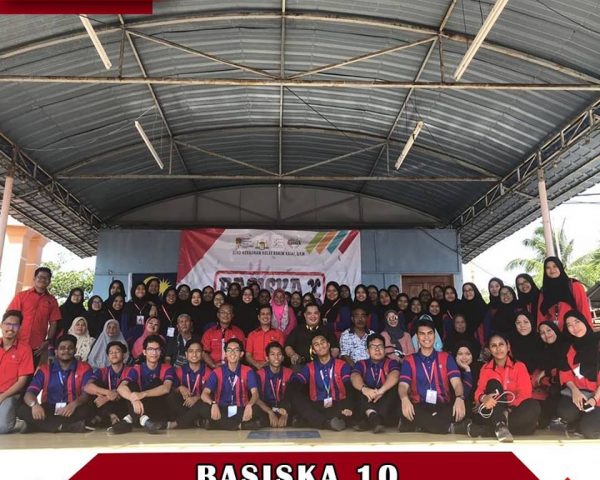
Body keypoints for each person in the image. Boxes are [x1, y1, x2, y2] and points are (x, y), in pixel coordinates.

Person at [398, 318, 466, 434]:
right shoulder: (409, 360)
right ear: (417, 337)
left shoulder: (446, 357)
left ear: (435, 336)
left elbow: (457, 383)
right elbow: (403, 385)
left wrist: (459, 398)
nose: (426, 337)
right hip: (419, 405)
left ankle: (419, 425)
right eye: (422, 334)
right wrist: (404, 399)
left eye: (430, 333)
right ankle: (450, 428)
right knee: (408, 410)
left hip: (442, 405)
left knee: (458, 410)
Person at [470, 333, 540, 442]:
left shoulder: (519, 366)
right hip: (493, 409)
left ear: (508, 346)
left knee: (533, 406)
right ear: (489, 350)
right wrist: (484, 398)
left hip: (513, 411)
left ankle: (489, 429)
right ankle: (500, 424)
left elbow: (525, 394)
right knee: (493, 383)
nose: (498, 349)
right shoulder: (486, 368)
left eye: (501, 344)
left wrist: (507, 409)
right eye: (493, 346)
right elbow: (479, 391)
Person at [19, 334, 93, 433]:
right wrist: (34, 405)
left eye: (70, 348)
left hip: (72, 408)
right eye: (62, 348)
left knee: (87, 410)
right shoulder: (45, 369)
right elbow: (30, 393)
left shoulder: (84, 368)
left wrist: (74, 404)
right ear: (56, 351)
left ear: (75, 350)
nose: (66, 351)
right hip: (50, 408)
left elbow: (86, 394)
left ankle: (41, 425)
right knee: (22, 409)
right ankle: (63, 426)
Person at [111, 335, 175, 434]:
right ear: (144, 352)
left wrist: (142, 394)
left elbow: (166, 388)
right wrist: (134, 399)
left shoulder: (167, 368)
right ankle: (143, 419)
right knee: (131, 386)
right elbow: (121, 388)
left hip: (157, 407)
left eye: (157, 349)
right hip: (139, 407)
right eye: (150, 349)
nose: (154, 353)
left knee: (157, 382)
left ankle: (130, 418)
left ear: (161, 352)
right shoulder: (137, 368)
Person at [291, 334, 353, 431]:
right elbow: (296, 382)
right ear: (314, 351)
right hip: (318, 405)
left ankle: (310, 420)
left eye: (323, 342)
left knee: (348, 407)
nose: (321, 346)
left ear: (328, 345)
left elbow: (349, 386)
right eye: (316, 344)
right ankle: (326, 423)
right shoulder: (309, 367)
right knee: (296, 397)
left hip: (338, 404)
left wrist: (349, 406)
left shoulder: (342, 365)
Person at [557, 310, 600, 438]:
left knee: (589, 430)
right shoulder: (570, 348)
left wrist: (594, 399)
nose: (574, 327)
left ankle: (587, 421)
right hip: (582, 392)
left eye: (577, 322)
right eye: (569, 325)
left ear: (584, 321)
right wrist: (575, 391)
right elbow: (565, 372)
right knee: (565, 412)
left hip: (597, 394)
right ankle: (583, 419)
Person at [200, 338, 260, 430]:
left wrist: (249, 405)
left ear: (241, 354)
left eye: (236, 350)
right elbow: (204, 394)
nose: (232, 353)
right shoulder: (217, 371)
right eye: (229, 350)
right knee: (202, 407)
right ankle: (240, 425)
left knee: (257, 410)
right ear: (225, 354)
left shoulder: (248, 371)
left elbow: (255, 393)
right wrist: (213, 404)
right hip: (221, 408)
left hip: (241, 408)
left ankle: (217, 424)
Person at [8, 266, 61, 365]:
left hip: (37, 347)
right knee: (10, 371)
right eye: (40, 277)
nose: (43, 280)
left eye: (46, 278)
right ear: (34, 278)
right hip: (16, 342)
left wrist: (48, 341)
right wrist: (9, 338)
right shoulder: (21, 296)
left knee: (30, 373)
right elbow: (10, 317)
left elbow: (53, 323)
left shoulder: (52, 301)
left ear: (49, 281)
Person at [351, 333, 400, 433]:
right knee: (358, 389)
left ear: (385, 350)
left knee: (394, 387)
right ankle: (374, 417)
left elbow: (395, 374)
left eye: (380, 346)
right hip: (367, 399)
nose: (377, 349)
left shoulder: (391, 362)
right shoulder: (361, 363)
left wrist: (381, 391)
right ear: (367, 351)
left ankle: (371, 419)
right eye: (373, 347)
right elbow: (354, 376)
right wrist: (365, 389)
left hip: (385, 402)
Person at [165, 339, 212, 430]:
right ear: (186, 354)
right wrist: (180, 388)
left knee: (205, 406)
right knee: (170, 397)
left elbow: (212, 395)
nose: (194, 354)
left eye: (198, 351)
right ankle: (195, 421)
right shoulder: (179, 371)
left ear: (202, 354)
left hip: (200, 405)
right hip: (184, 406)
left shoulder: (208, 372)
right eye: (191, 351)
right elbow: (172, 389)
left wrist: (197, 398)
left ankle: (181, 423)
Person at [0, 311, 34, 434]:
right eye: (8, 324)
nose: (10, 328)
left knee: (2, 427)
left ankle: (15, 418)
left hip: (10, 395)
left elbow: (21, 382)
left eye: (15, 325)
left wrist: (2, 397)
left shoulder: (24, 349)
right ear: (1, 325)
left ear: (19, 327)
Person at [83, 341, 129, 428]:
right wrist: (108, 393)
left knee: (128, 387)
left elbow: (126, 389)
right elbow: (87, 387)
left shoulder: (130, 370)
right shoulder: (102, 371)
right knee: (96, 385)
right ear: (108, 357)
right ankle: (112, 415)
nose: (114, 354)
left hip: (122, 405)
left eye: (117, 351)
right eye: (111, 353)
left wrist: (107, 398)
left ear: (124, 355)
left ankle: (102, 417)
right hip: (104, 404)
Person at [538, 257, 592, 328]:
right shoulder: (544, 290)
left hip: (574, 330)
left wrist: (588, 329)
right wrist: (542, 331)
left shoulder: (573, 285)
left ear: (560, 267)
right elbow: (541, 315)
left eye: (555, 266)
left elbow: (583, 308)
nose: (552, 270)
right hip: (555, 332)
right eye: (548, 268)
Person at [284, 303, 339, 368]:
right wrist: (293, 355)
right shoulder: (297, 330)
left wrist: (328, 361)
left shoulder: (327, 330)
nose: (313, 316)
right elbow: (288, 346)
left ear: (319, 314)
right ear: (305, 315)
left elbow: (335, 349)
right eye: (309, 313)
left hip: (324, 366)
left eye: (315, 313)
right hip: (301, 366)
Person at [255, 342, 294, 428]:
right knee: (255, 413)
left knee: (297, 415)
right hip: (266, 407)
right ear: (267, 358)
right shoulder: (260, 374)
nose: (276, 357)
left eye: (279, 354)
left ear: (282, 357)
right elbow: (255, 398)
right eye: (272, 354)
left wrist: (286, 412)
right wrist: (270, 412)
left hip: (284, 406)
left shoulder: (289, 373)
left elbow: (293, 397)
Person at [537, 320, 566, 427]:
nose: (546, 335)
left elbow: (565, 367)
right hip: (553, 384)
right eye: (542, 333)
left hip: (569, 384)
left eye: (549, 330)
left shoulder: (565, 345)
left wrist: (547, 372)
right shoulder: (545, 349)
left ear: (555, 330)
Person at [201, 303, 246, 369]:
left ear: (232, 315)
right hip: (212, 368)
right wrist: (213, 365)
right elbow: (204, 353)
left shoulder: (239, 332)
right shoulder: (209, 333)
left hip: (233, 367)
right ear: (218, 315)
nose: (225, 315)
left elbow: (241, 352)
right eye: (223, 312)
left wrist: (230, 366)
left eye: (228, 313)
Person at [246, 305, 285, 370]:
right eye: (263, 314)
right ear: (258, 317)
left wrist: (270, 364)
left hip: (273, 367)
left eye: (268, 314)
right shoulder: (252, 335)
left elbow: (281, 355)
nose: (265, 316)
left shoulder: (279, 333)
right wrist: (257, 365)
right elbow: (248, 355)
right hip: (255, 368)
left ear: (271, 316)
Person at [452, 341, 482, 417]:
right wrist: (467, 370)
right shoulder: (451, 370)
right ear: (455, 356)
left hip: (479, 407)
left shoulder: (480, 368)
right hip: (459, 408)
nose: (464, 357)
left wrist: (480, 400)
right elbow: (463, 395)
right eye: (460, 354)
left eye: (468, 354)